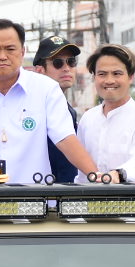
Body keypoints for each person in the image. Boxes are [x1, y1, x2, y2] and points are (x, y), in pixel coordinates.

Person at [0, 19, 99, 185]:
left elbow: (65, 138)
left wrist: (96, 176)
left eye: (10, 49)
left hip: (34, 198)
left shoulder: (46, 89)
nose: (2, 56)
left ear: (22, 52)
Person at [74, 44, 135, 184]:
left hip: (131, 202)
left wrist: (118, 174)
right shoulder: (88, 118)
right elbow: (81, 172)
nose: (109, 80)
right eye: (102, 74)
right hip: (88, 200)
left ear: (131, 77)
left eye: (117, 73)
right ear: (94, 77)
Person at [34, 35, 81, 184]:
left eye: (71, 62)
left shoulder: (68, 109)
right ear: (40, 70)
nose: (66, 68)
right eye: (57, 63)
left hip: (66, 193)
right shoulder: (32, 107)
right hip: (41, 192)